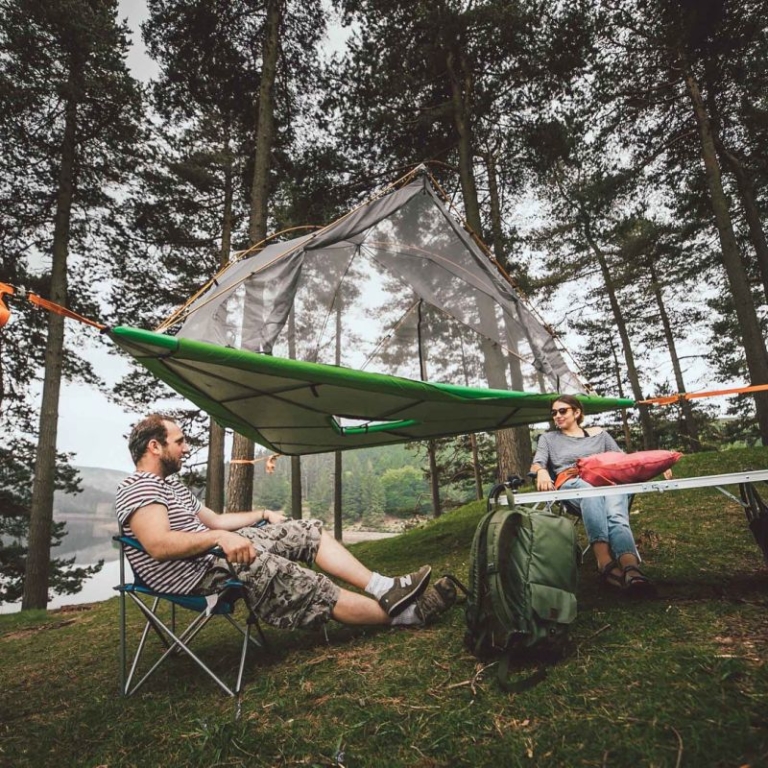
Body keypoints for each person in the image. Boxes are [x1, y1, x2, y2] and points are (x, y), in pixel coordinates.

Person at [115, 414, 456, 632]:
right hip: (195, 574)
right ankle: (408, 615)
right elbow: (158, 546)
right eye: (179, 442)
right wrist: (219, 538)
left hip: (212, 555)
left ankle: (384, 587)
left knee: (304, 531)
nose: (185, 448)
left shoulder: (170, 486)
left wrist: (262, 515)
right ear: (155, 446)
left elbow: (216, 520)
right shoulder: (139, 488)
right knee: (292, 575)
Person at [530, 394, 655, 597]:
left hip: (608, 481)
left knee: (615, 511)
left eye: (563, 411)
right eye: (554, 413)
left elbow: (622, 461)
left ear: (577, 412)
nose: (557, 416)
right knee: (592, 494)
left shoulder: (600, 435)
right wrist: (542, 471)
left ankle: (630, 566)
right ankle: (604, 561)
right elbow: (537, 463)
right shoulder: (549, 439)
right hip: (573, 483)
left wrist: (657, 466)